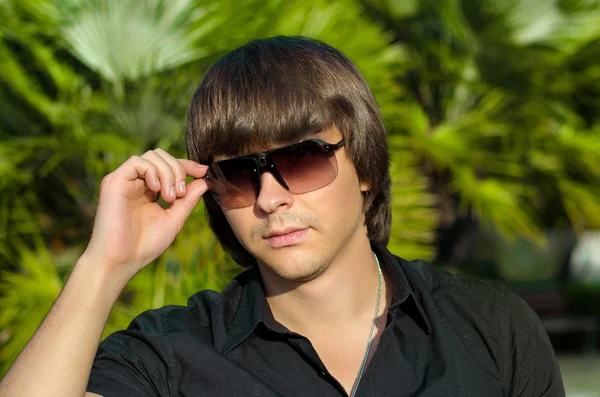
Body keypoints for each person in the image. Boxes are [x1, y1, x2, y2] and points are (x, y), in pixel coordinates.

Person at [0, 36, 565, 397]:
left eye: (301, 158)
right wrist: (105, 263)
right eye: (241, 174)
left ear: (364, 165)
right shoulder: (170, 356)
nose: (270, 198)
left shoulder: (491, 327)